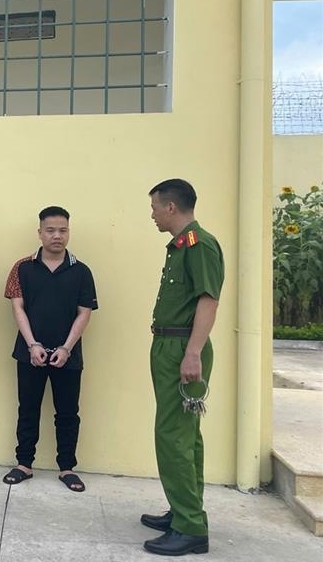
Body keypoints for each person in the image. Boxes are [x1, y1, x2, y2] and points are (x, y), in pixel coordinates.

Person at [140, 178, 223, 556]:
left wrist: (193, 353)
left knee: (173, 435)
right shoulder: (181, 245)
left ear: (171, 207)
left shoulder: (198, 244)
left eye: (155, 207)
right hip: (170, 344)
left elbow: (208, 300)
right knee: (185, 435)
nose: (153, 214)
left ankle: (189, 527)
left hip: (183, 347)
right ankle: (184, 511)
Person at [2, 206, 98, 492]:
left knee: (67, 413)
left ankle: (67, 468)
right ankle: (24, 464)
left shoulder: (81, 271)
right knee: (27, 409)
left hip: (68, 355)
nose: (57, 236)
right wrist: (32, 344)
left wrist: (66, 348)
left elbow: (84, 312)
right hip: (29, 353)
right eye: (51, 230)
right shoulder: (22, 268)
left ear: (69, 232)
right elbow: (17, 308)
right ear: (40, 232)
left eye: (63, 230)